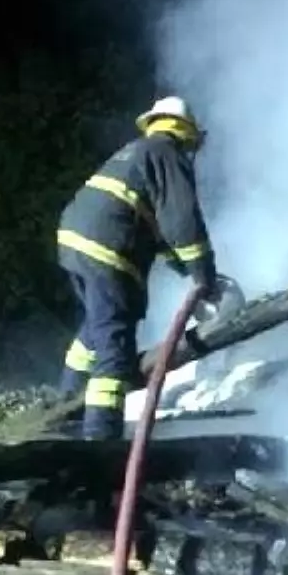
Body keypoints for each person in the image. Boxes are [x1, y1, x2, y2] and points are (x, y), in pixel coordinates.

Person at [56, 94, 224, 440]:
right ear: (187, 133)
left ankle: (61, 412)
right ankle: (99, 443)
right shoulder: (168, 153)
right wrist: (204, 277)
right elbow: (182, 223)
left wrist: (188, 271)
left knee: (95, 331)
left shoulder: (139, 151)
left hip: (74, 241)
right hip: (107, 249)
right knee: (115, 351)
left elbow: (161, 233)